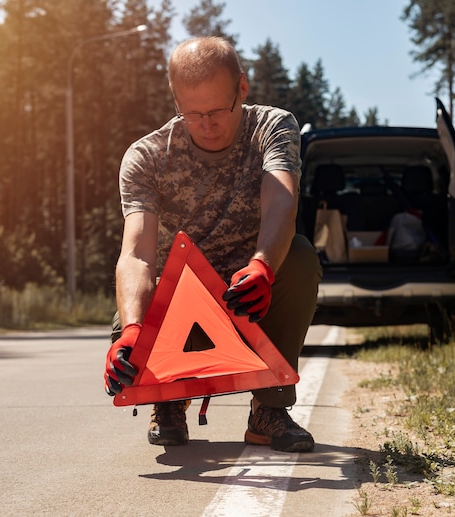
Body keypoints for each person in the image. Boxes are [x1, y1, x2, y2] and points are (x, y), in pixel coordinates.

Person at [104, 36, 322, 453]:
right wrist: (133, 330)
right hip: (179, 307)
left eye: (218, 110)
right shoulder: (146, 157)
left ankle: (268, 410)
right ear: (175, 99)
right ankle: (166, 400)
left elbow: (282, 200)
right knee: (126, 324)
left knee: (299, 257)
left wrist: (262, 266)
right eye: (192, 112)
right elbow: (136, 254)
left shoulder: (272, 128)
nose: (206, 124)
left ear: (242, 88)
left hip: (249, 296)